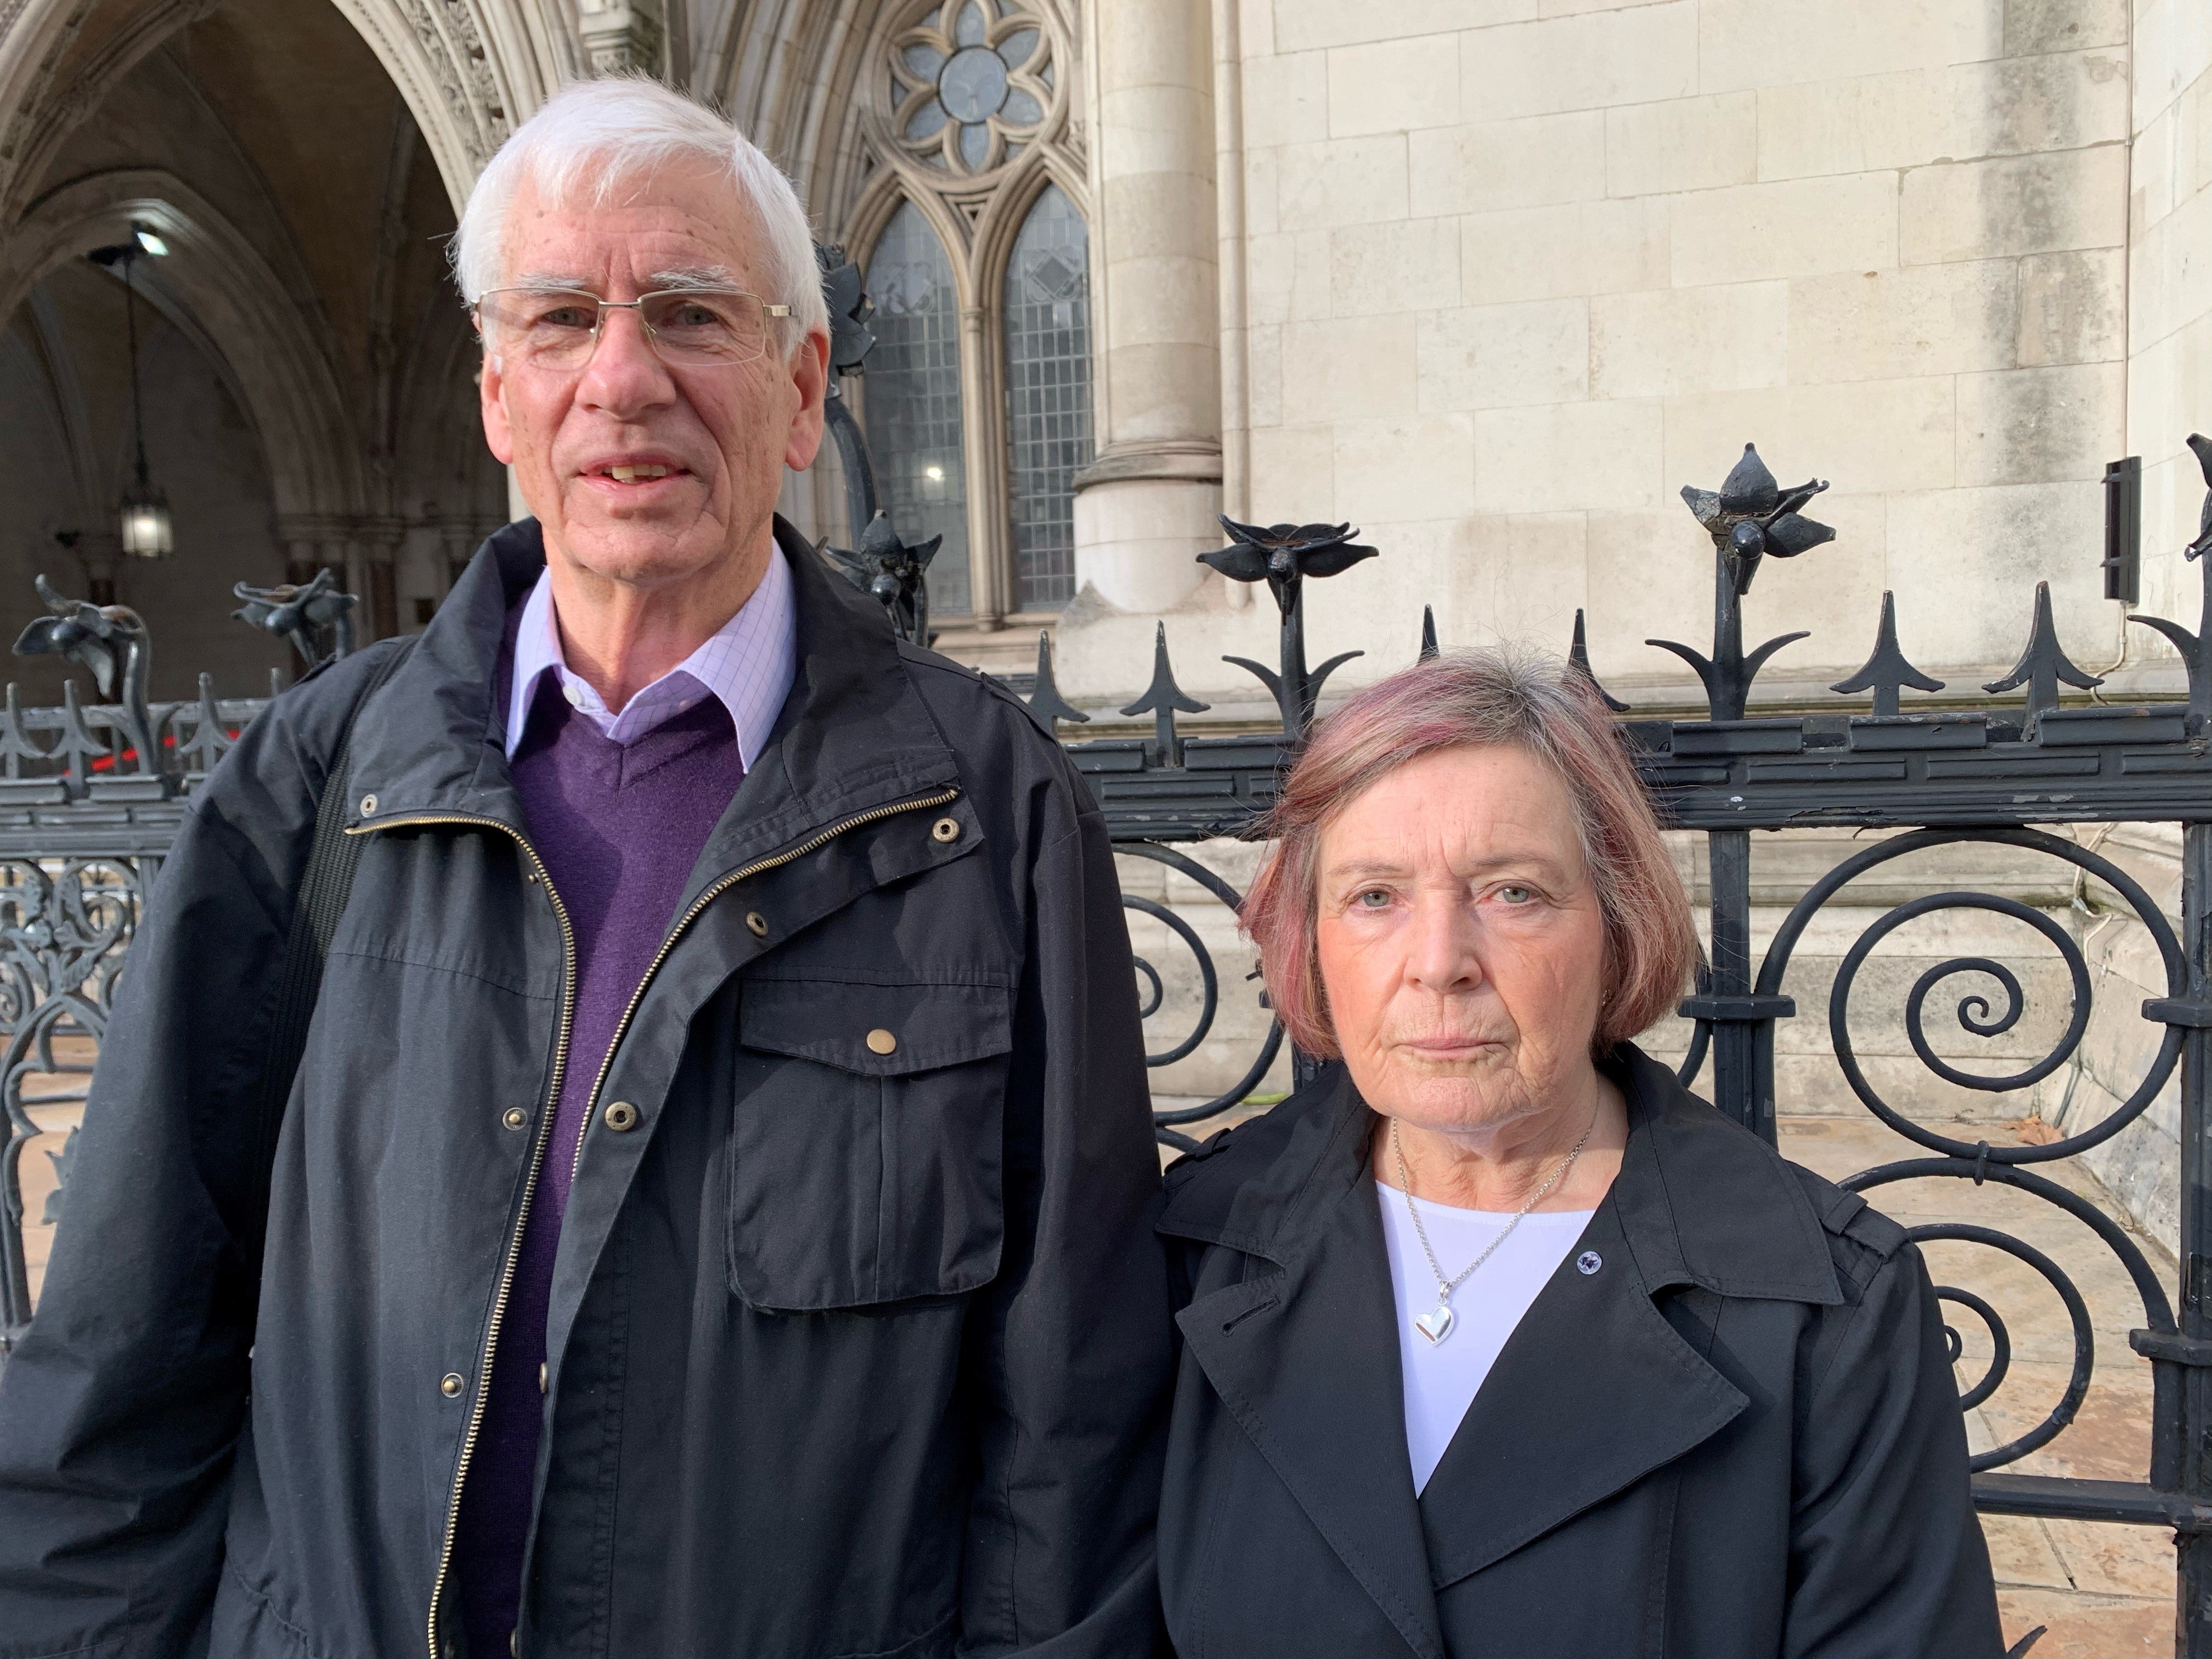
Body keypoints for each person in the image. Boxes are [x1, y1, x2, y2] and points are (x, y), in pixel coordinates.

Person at [0, 78, 1170, 1659]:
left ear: (802, 384)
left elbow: (1069, 1429)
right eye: (560, 320)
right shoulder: (314, 787)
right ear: (499, 394)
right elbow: (127, 1360)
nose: (622, 380)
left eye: (691, 313)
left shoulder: (986, 813)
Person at [1154, 649, 2004, 1658]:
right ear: (1309, 937)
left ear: (1617, 924)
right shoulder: (1195, 1242)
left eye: (1512, 892)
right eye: (1375, 896)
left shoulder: (1828, 1306)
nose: (1438, 964)